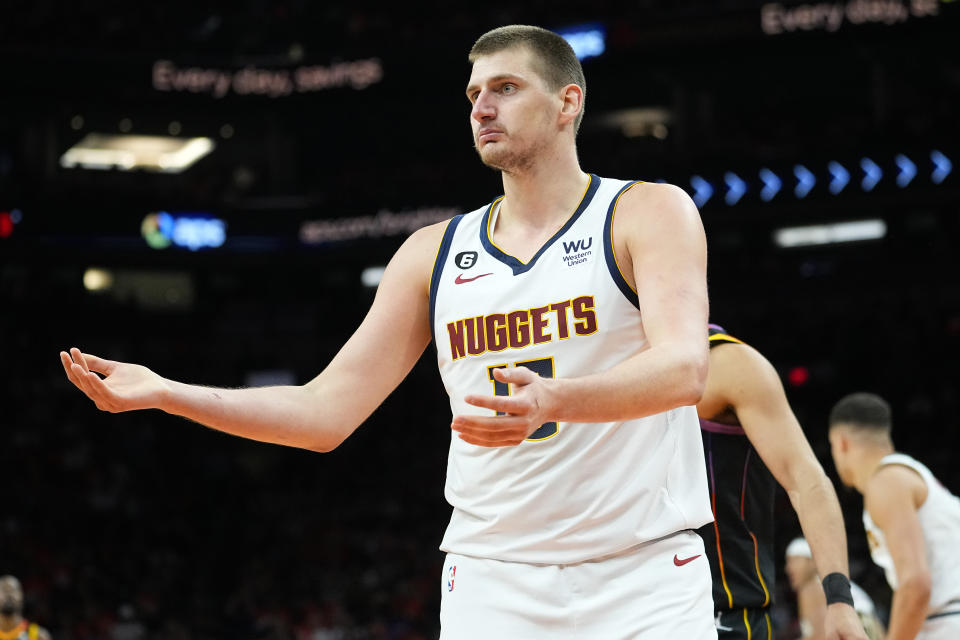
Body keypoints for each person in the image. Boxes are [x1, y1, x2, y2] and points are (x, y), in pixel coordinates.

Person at [62, 25, 718, 638]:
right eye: (473, 94)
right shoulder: (431, 253)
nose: (482, 108)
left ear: (567, 102)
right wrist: (167, 391)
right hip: (494, 581)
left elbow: (684, 368)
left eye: (506, 88)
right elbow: (325, 413)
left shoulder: (646, 212)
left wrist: (554, 400)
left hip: (644, 574)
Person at [696, 325, 866, 639]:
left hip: (722, 610)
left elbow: (807, 481)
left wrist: (840, 600)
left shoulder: (727, 363)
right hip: (617, 599)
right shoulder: (597, 364)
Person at [828, 392, 960, 640]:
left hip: (946, 625)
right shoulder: (911, 475)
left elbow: (915, 585)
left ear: (841, 442)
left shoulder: (886, 481)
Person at [785, 537, 885, 640]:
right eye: (788, 562)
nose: (788, 567)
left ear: (812, 562)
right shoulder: (828, 583)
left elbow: (821, 635)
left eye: (794, 560)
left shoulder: (812, 587)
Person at [0, 576, 51, 640]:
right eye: (4, 590)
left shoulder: (38, 636)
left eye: (13, 590)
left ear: (21, 596)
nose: (9, 594)